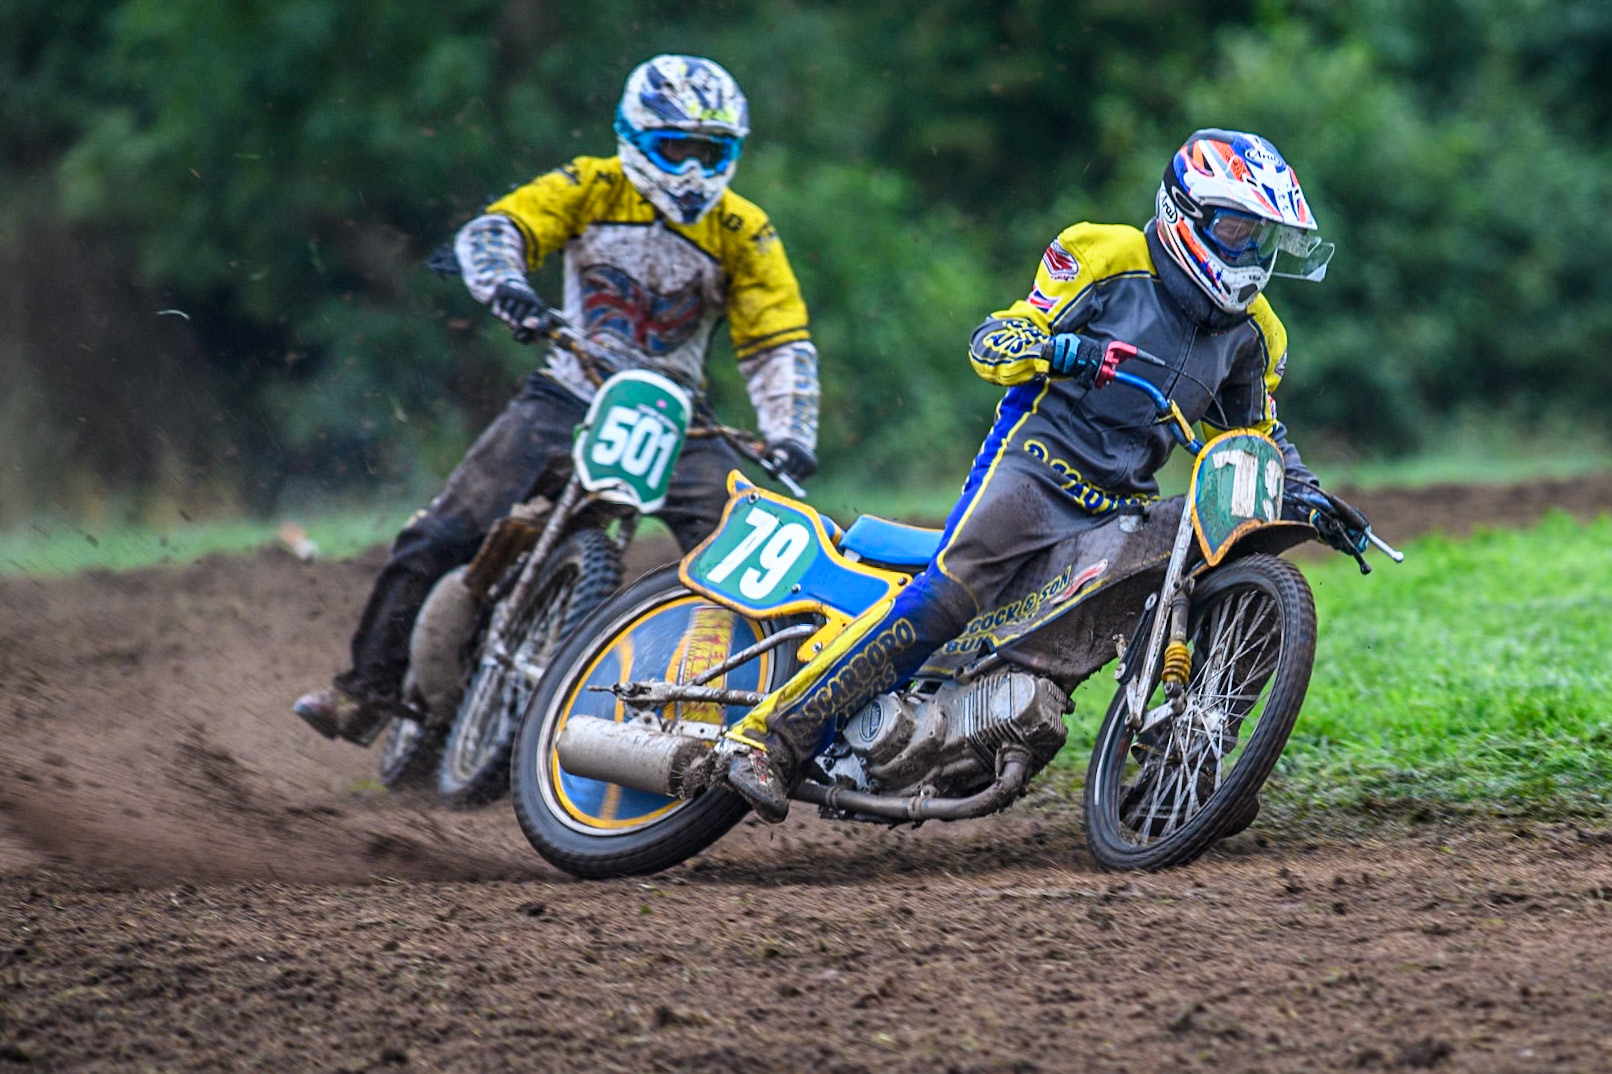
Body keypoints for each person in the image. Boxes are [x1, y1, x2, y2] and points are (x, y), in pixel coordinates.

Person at [717, 128, 1371, 821]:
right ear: (1189, 214)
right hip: (1035, 467)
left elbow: (1254, 439)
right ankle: (770, 740)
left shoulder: (1257, 333)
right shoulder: (1102, 254)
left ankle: (1189, 769)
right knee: (948, 597)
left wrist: (1309, 497)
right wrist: (1058, 350)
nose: (1251, 252)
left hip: (1119, 503)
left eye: (1263, 236)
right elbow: (993, 341)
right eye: (1239, 228)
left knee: (1210, 557)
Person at [295, 55, 821, 746]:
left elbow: (777, 339)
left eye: (710, 153)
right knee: (443, 530)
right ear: (633, 139)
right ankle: (365, 691)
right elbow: (499, 230)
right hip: (570, 390)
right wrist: (507, 287)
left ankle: (778, 721)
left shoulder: (744, 229)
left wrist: (792, 433)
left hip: (677, 417)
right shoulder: (590, 184)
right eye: (676, 149)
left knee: (758, 551)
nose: (692, 172)